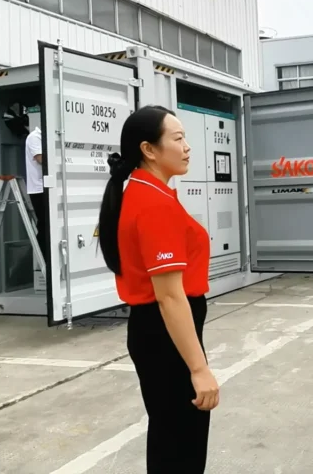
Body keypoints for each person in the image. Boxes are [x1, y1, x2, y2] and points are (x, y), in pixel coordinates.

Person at [97, 105, 220, 473]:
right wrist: (199, 369)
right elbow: (169, 296)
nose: (187, 147)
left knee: (171, 440)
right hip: (166, 334)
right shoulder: (153, 203)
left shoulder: (146, 192)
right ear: (149, 150)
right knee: (181, 447)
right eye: (178, 138)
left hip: (158, 332)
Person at [24, 124, 49, 267]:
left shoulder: (46, 137)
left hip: (47, 187)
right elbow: (41, 159)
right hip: (38, 189)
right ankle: (45, 260)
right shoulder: (34, 137)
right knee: (44, 224)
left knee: (48, 224)